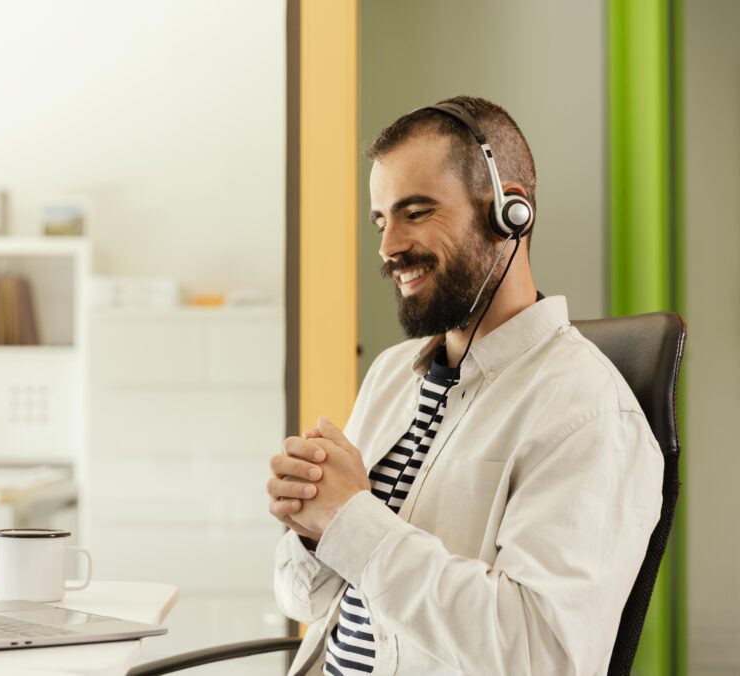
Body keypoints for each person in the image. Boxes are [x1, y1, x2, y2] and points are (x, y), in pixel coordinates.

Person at [266, 96, 662, 675]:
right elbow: (307, 601)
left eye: (417, 212)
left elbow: (543, 656)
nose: (388, 246)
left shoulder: (587, 413)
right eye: (381, 219)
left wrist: (351, 517)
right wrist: (310, 525)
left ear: (512, 213)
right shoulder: (392, 377)